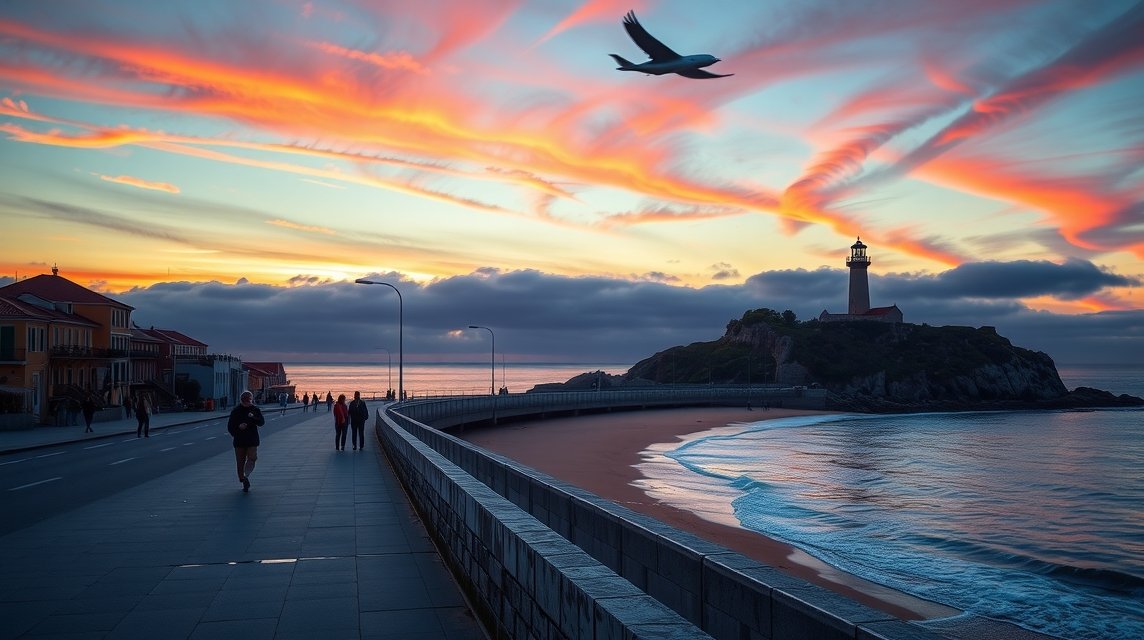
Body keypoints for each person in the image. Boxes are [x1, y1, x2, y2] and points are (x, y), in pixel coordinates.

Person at [227, 390, 265, 492]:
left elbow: (261, 422)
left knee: (252, 457)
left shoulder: (255, 410)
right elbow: (230, 427)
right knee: (240, 461)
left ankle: (246, 475)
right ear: (242, 401)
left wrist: (254, 418)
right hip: (239, 440)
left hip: (252, 440)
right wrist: (238, 428)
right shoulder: (236, 411)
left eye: (249, 400)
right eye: (245, 401)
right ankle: (243, 480)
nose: (248, 403)